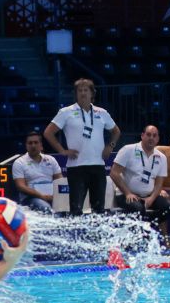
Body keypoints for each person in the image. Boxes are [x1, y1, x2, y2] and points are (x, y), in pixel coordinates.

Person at [44, 78, 122, 215]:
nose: (83, 93)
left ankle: (97, 230)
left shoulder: (101, 112)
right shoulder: (66, 112)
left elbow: (116, 131)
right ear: (76, 93)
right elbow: (48, 133)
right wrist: (62, 151)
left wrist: (110, 146)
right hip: (76, 167)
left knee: (99, 210)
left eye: (86, 90)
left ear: (92, 93)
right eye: (80, 90)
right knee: (76, 209)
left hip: (98, 165)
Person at [109, 125, 170, 230]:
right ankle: (142, 234)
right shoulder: (128, 150)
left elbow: (159, 183)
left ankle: (150, 225)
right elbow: (114, 173)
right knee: (138, 208)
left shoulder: (161, 157)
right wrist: (128, 193)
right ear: (142, 136)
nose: (151, 138)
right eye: (148, 135)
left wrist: (152, 198)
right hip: (126, 195)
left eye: (154, 136)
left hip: (148, 196)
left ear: (158, 139)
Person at [12, 131, 65, 213]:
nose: (33, 145)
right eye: (30, 143)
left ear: (41, 145)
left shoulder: (51, 160)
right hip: (30, 198)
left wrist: (57, 195)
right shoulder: (19, 162)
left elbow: (60, 180)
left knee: (68, 207)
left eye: (36, 142)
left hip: (52, 196)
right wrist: (41, 196)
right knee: (46, 208)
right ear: (26, 146)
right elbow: (20, 186)